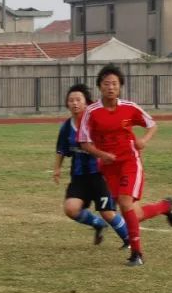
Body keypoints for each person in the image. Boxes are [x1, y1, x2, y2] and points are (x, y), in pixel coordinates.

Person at [78, 65, 172, 267]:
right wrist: (101, 154)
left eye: (114, 84)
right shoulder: (92, 112)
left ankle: (137, 254)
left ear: (120, 87)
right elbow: (84, 142)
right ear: (100, 87)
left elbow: (152, 124)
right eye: (106, 84)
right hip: (108, 167)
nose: (111, 87)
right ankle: (165, 206)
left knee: (124, 203)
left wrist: (144, 140)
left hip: (130, 162)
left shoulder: (130, 107)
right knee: (132, 212)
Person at [53, 84, 129, 247]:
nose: (74, 103)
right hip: (79, 177)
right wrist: (57, 169)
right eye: (71, 100)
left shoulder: (96, 122)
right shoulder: (66, 127)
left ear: (86, 102)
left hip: (100, 175)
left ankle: (129, 240)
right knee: (71, 209)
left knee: (108, 213)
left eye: (78, 100)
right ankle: (98, 224)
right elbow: (61, 149)